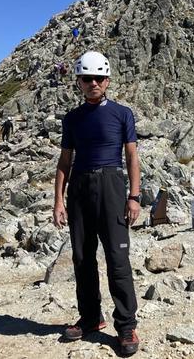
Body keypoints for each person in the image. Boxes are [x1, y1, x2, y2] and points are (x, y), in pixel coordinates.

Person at [53, 51, 140, 355]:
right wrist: (58, 202)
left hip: (112, 185)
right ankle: (91, 317)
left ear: (107, 80)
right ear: (78, 81)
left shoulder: (122, 113)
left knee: (117, 258)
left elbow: (131, 156)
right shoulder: (72, 118)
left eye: (99, 78)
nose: (93, 83)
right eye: (87, 78)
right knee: (81, 257)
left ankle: (126, 326)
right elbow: (65, 161)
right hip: (79, 187)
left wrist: (134, 196)